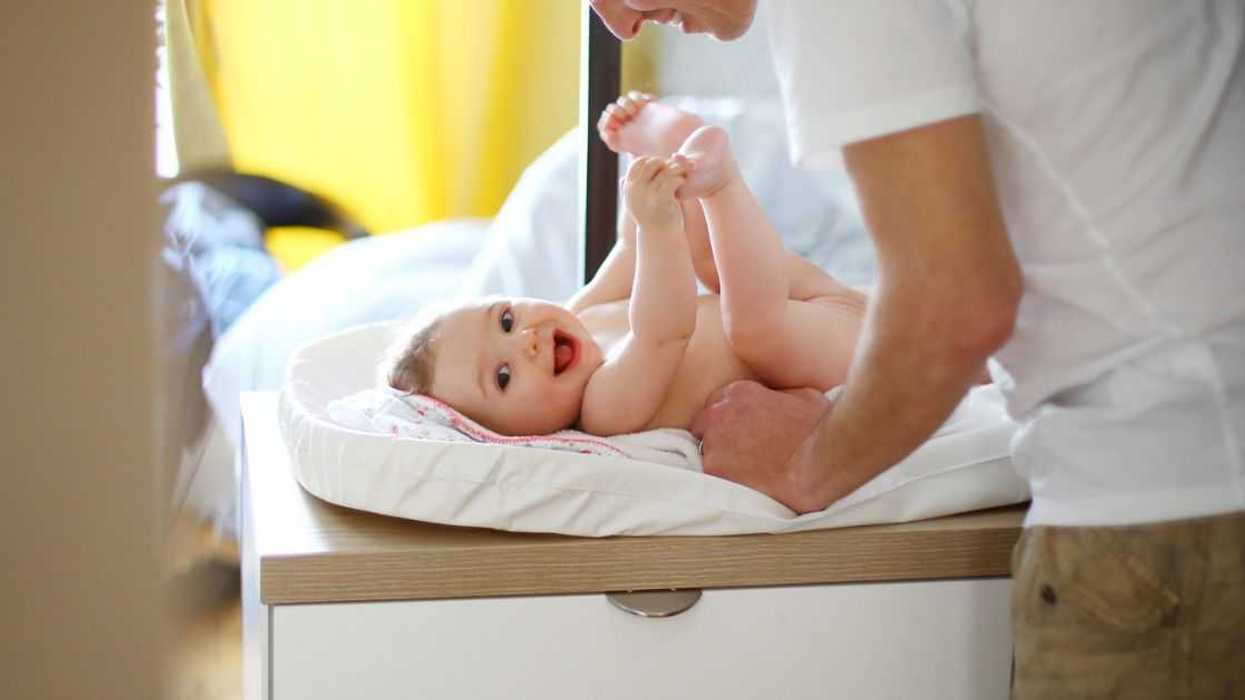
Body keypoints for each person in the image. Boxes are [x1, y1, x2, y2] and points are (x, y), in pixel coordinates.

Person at [590, 1, 1245, 696]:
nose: (619, 26)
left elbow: (953, 303)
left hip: (1170, 503)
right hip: (1194, 464)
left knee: (762, 321)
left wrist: (803, 470)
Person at [385, 94, 865, 436]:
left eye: (506, 320)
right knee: (752, 327)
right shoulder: (604, 408)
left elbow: (630, 249)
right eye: (504, 377)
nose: (526, 341)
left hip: (808, 305)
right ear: (511, 436)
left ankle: (678, 155)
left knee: (709, 263)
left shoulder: (583, 312)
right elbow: (663, 331)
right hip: (831, 355)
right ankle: (719, 185)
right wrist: (659, 228)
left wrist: (642, 182)